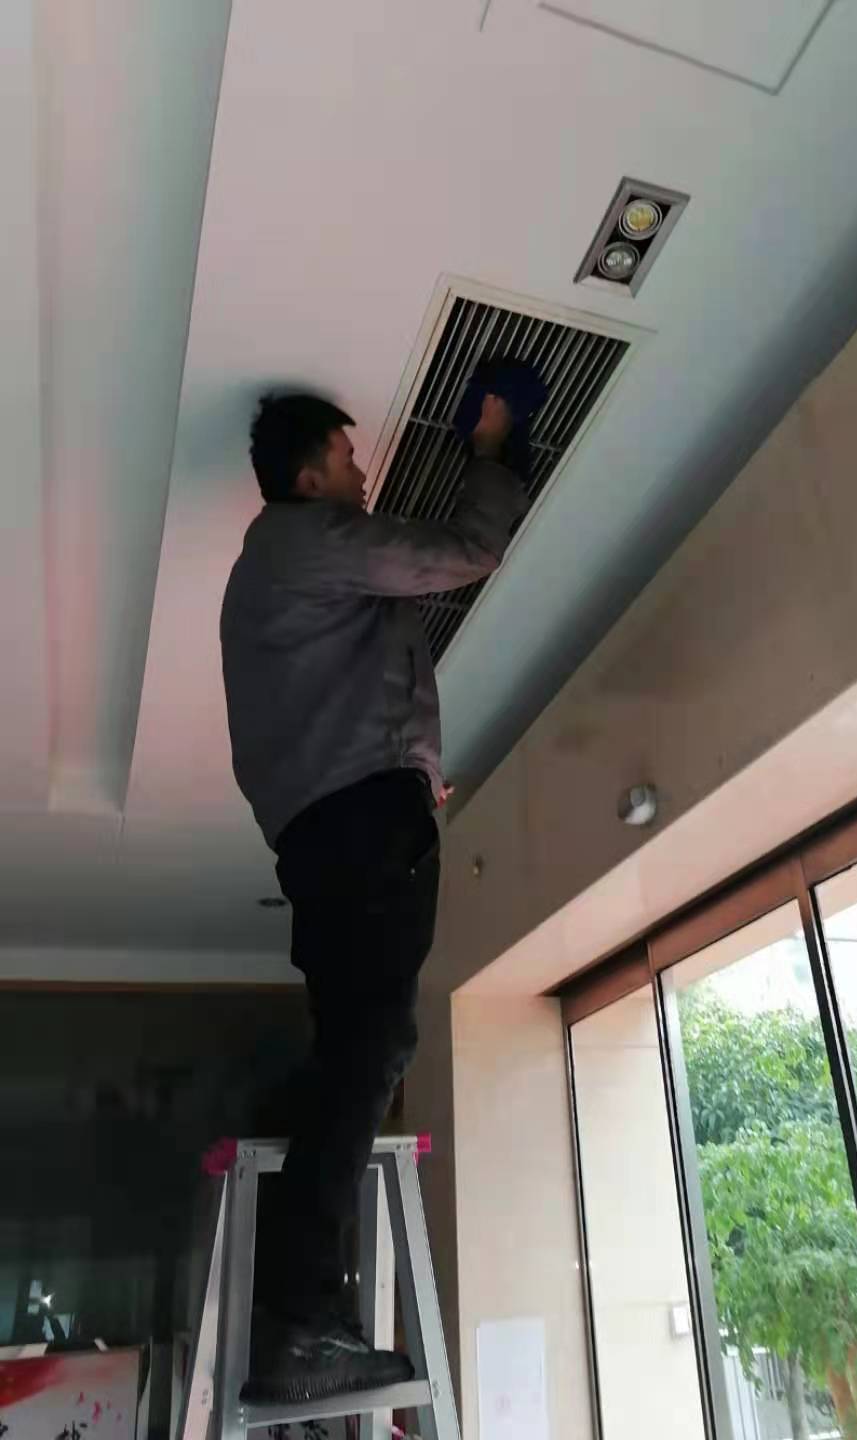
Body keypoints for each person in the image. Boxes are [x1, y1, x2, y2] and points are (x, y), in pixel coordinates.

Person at [220, 385, 527, 1402]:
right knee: (373, 1040)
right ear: (309, 474)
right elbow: (465, 552)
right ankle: (303, 1322)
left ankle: (297, 1306)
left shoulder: (273, 572)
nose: (362, 476)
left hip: (327, 830)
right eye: (349, 460)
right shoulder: (304, 539)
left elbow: (350, 680)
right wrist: (493, 449)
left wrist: (405, 768)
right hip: (356, 824)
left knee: (353, 1040)